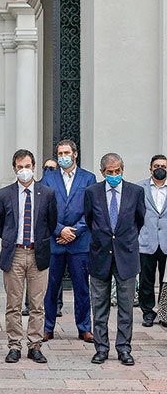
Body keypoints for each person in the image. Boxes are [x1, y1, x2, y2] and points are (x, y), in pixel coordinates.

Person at [0, 149, 57, 364]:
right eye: (20, 167)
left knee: (37, 304)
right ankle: (14, 345)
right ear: (14, 169)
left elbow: (52, 222)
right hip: (15, 254)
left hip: (38, 253)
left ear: (34, 167)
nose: (24, 171)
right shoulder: (4, 194)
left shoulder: (47, 193)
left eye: (27, 166)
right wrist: (13, 240)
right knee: (13, 303)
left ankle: (35, 345)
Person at [84, 153, 145, 366]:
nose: (114, 175)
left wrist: (124, 241)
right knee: (99, 305)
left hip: (126, 256)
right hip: (100, 255)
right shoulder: (92, 192)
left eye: (117, 171)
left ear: (122, 169)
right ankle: (101, 348)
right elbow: (90, 219)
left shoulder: (135, 192)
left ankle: (124, 348)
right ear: (102, 172)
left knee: (126, 307)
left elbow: (139, 220)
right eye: (109, 172)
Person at [41, 140, 96, 344]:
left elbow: (91, 209)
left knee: (82, 287)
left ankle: (84, 328)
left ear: (75, 154)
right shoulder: (48, 178)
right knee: (51, 288)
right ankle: (48, 327)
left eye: (66, 153)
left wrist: (74, 231)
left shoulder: (88, 178)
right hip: (55, 241)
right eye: (59, 153)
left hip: (79, 242)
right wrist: (60, 230)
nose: (63, 156)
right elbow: (44, 210)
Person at [24, 158, 61, 317]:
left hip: (57, 237)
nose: (49, 171)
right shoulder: (39, 187)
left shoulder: (52, 190)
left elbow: (52, 216)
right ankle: (28, 304)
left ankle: (57, 305)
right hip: (41, 240)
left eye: (52, 168)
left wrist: (60, 230)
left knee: (53, 279)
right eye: (47, 168)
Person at [137, 154, 167, 327]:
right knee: (146, 281)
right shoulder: (140, 188)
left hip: (166, 242)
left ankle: (164, 313)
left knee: (165, 281)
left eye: (163, 166)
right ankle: (148, 312)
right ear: (150, 169)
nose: (160, 169)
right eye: (156, 166)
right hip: (146, 241)